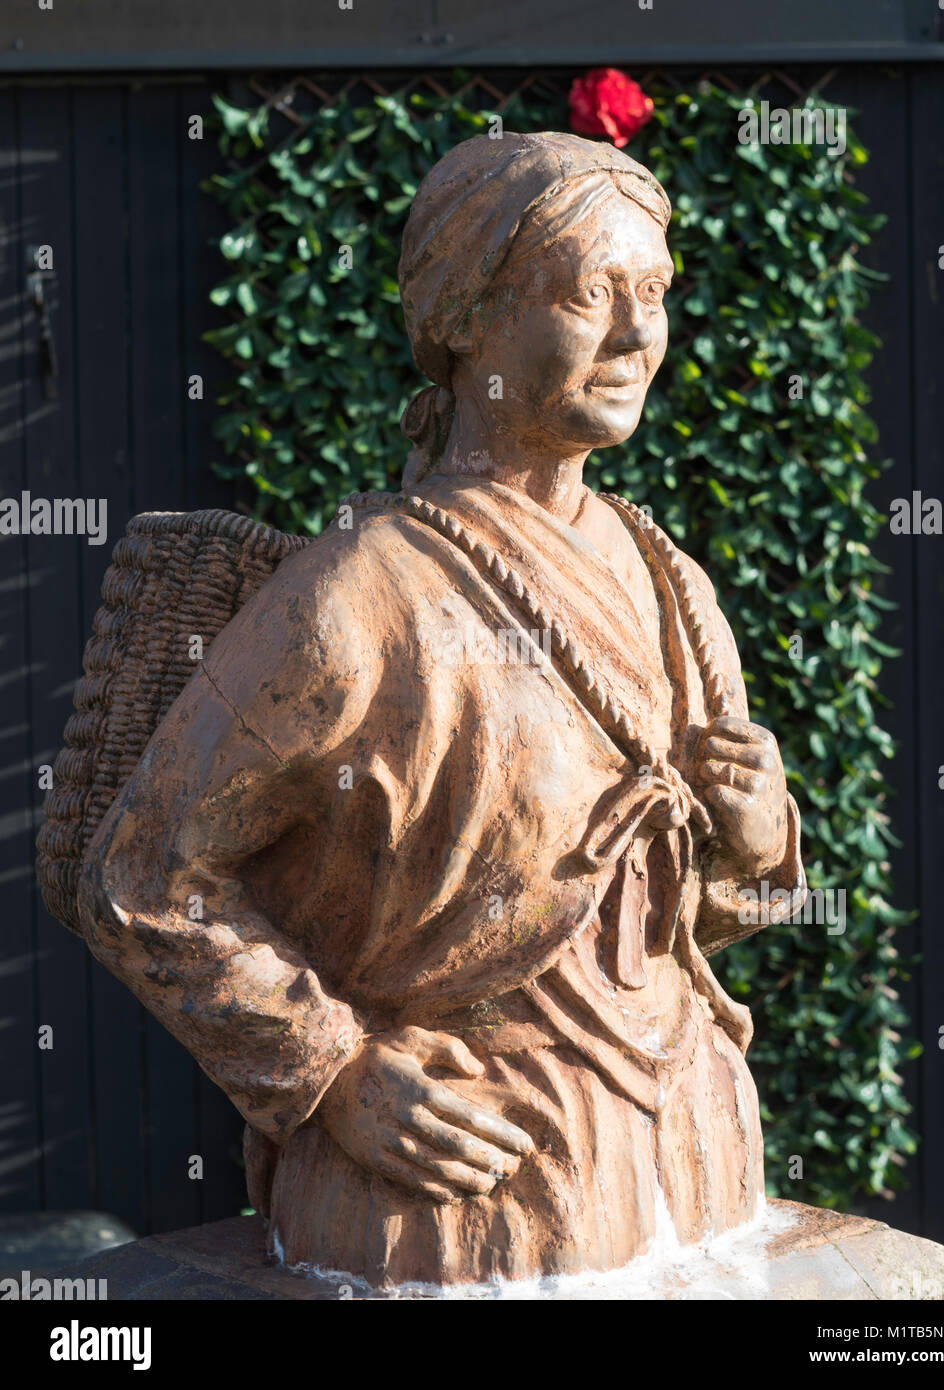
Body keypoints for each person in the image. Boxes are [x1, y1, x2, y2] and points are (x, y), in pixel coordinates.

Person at [77, 132, 805, 1287]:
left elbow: (652, 927)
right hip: (457, 1197)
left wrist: (757, 840)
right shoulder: (358, 592)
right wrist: (334, 1067)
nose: (633, 335)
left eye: (653, 293)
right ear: (466, 318)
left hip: (692, 1154)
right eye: (586, 293)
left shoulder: (669, 580)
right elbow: (140, 875)